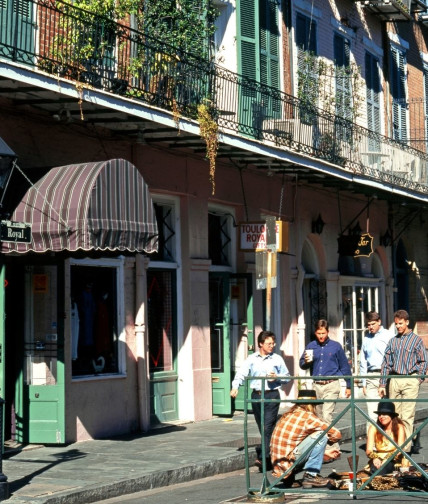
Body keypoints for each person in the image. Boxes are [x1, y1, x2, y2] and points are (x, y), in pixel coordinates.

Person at [230, 330, 290, 471]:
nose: (272, 346)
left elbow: (287, 377)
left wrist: (277, 377)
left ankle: (262, 458)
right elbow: (241, 373)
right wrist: (235, 387)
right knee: (263, 428)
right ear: (260, 344)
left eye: (273, 343)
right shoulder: (252, 359)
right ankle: (267, 454)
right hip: (256, 396)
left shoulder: (277, 359)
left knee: (267, 427)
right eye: (269, 343)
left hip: (271, 395)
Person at [270, 389, 341, 489]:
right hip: (288, 462)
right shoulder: (307, 416)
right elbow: (336, 434)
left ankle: (289, 479)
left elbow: (297, 442)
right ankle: (310, 476)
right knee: (321, 435)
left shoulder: (288, 414)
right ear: (311, 405)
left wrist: (324, 452)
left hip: (279, 464)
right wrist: (329, 442)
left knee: (309, 435)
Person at [378, 309, 428, 450]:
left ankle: (403, 451)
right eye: (396, 324)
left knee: (407, 416)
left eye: (400, 323)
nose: (398, 326)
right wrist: (382, 384)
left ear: (407, 322)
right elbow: (386, 363)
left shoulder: (416, 340)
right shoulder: (393, 341)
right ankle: (397, 445)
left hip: (410, 379)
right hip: (394, 379)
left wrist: (418, 378)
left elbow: (424, 360)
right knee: (395, 416)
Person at [299, 319, 351, 430]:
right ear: (315, 333)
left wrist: (349, 385)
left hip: (331, 384)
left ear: (327, 332)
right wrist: (306, 362)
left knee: (327, 416)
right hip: (317, 385)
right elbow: (302, 364)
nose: (321, 336)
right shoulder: (311, 346)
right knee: (318, 417)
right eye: (318, 333)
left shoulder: (336, 346)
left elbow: (344, 366)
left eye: (323, 333)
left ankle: (329, 446)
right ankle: (322, 445)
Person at [359, 311, 393, 431]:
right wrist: (363, 382)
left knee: (388, 411)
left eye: (373, 324)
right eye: (368, 325)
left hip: (387, 376)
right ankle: (372, 443)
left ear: (379, 322)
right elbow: (362, 361)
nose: (370, 327)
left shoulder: (388, 336)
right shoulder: (366, 338)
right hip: (370, 376)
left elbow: (393, 357)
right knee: (372, 413)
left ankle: (391, 441)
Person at [365, 401, 409, 475]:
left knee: (383, 470)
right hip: (378, 459)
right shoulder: (373, 428)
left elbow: (400, 449)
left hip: (394, 459)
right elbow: (368, 450)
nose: (381, 417)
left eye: (384, 414)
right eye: (379, 414)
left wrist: (387, 459)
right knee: (375, 469)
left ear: (391, 416)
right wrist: (375, 458)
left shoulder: (399, 427)